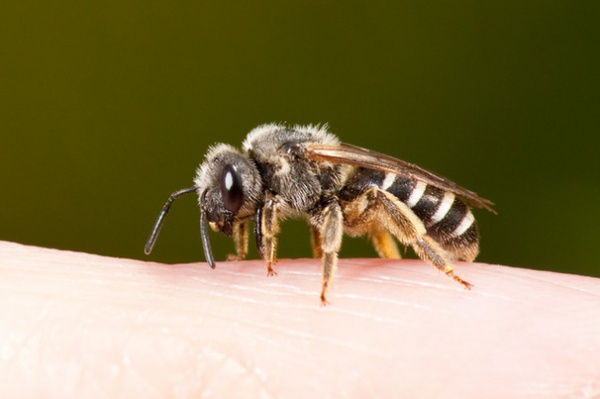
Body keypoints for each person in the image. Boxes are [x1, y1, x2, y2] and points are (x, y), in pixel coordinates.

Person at [1, 240, 598, 397]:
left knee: (372, 194)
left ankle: (436, 267)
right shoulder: (270, 184)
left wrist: (328, 269)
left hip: (422, 223)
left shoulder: (293, 167)